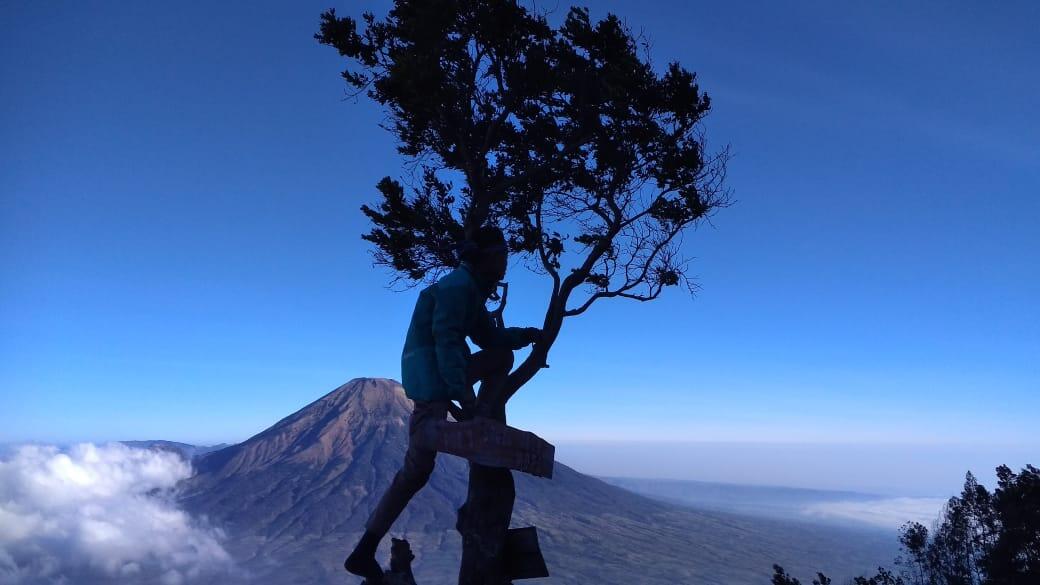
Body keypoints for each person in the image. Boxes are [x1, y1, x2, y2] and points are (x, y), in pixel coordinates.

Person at [345, 225, 543, 582]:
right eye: (501, 255)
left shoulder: (466, 290)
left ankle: (363, 549)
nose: (505, 263)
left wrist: (523, 335)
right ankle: (481, 420)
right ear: (484, 257)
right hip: (433, 378)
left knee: (415, 472)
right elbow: (446, 341)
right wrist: (466, 399)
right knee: (500, 360)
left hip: (428, 383)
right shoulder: (457, 289)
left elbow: (488, 335)